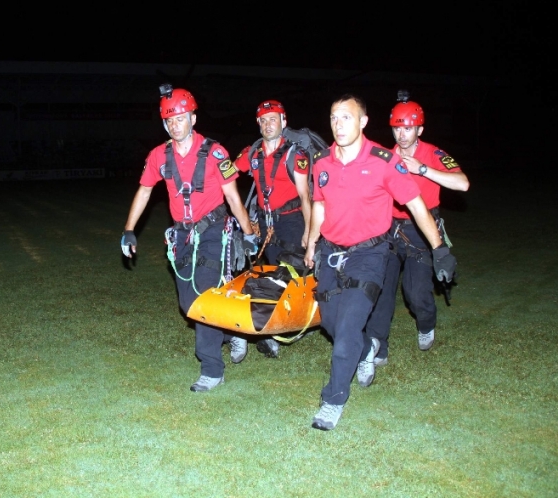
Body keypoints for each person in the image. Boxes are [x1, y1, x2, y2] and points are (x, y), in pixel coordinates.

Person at [303, 94, 456, 430]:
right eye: (333, 117)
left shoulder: (384, 161)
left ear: (363, 122)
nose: (339, 124)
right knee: (330, 324)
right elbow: (320, 205)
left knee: (345, 331)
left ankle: (333, 400)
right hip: (330, 253)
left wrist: (439, 248)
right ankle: (367, 347)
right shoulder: (323, 162)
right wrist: (312, 243)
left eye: (347, 117)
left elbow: (416, 204)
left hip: (370, 255)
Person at [121, 85, 257, 392]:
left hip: (212, 232)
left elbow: (233, 199)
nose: (174, 125)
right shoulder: (158, 156)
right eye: (169, 120)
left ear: (193, 118)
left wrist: (248, 234)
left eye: (180, 118)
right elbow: (144, 191)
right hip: (181, 235)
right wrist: (129, 229)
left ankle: (211, 368)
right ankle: (231, 329)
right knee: (188, 304)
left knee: (203, 296)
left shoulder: (215, 152)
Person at [365, 92, 470, 369]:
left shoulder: (433, 154)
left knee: (416, 293)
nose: (401, 134)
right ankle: (379, 347)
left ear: (419, 129)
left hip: (421, 233)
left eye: (408, 128)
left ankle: (426, 323)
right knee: (380, 290)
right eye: (397, 128)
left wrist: (423, 169)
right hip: (388, 230)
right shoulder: (384, 157)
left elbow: (463, 184)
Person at [234, 100, 312, 358]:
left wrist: (309, 233)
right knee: (270, 274)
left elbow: (305, 196)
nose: (269, 124)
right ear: (258, 124)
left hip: (292, 221)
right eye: (264, 120)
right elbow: (226, 174)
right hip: (266, 223)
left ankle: (296, 320)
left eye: (273, 119)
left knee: (290, 274)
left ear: (283, 122)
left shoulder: (295, 155)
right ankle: (271, 332)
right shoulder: (252, 153)